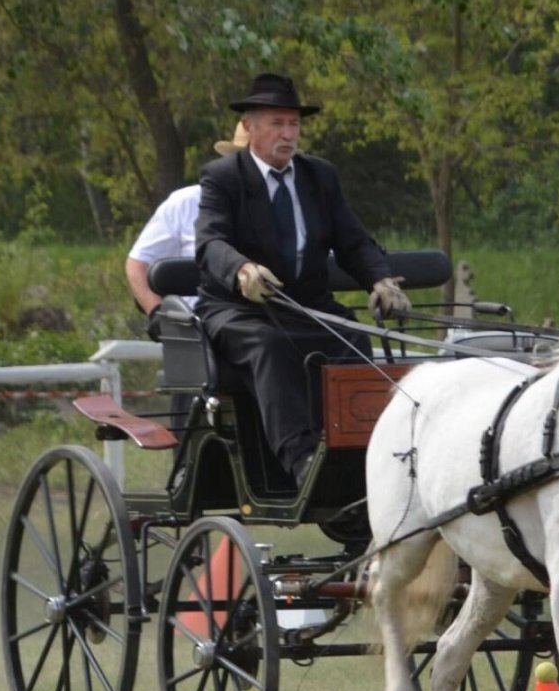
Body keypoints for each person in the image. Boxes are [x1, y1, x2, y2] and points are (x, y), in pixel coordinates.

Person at [197, 73, 409, 488]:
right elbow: (210, 241)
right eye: (277, 124)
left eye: (293, 124)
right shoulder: (224, 177)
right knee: (271, 345)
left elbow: (353, 241)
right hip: (241, 311)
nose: (288, 134)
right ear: (250, 127)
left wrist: (380, 281)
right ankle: (302, 459)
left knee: (354, 339)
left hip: (308, 306)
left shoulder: (319, 176)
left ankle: (364, 453)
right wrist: (241, 269)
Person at [126, 121, 252, 333]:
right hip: (201, 327)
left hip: (270, 319)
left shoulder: (290, 206)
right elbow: (138, 265)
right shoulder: (186, 203)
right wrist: (156, 312)